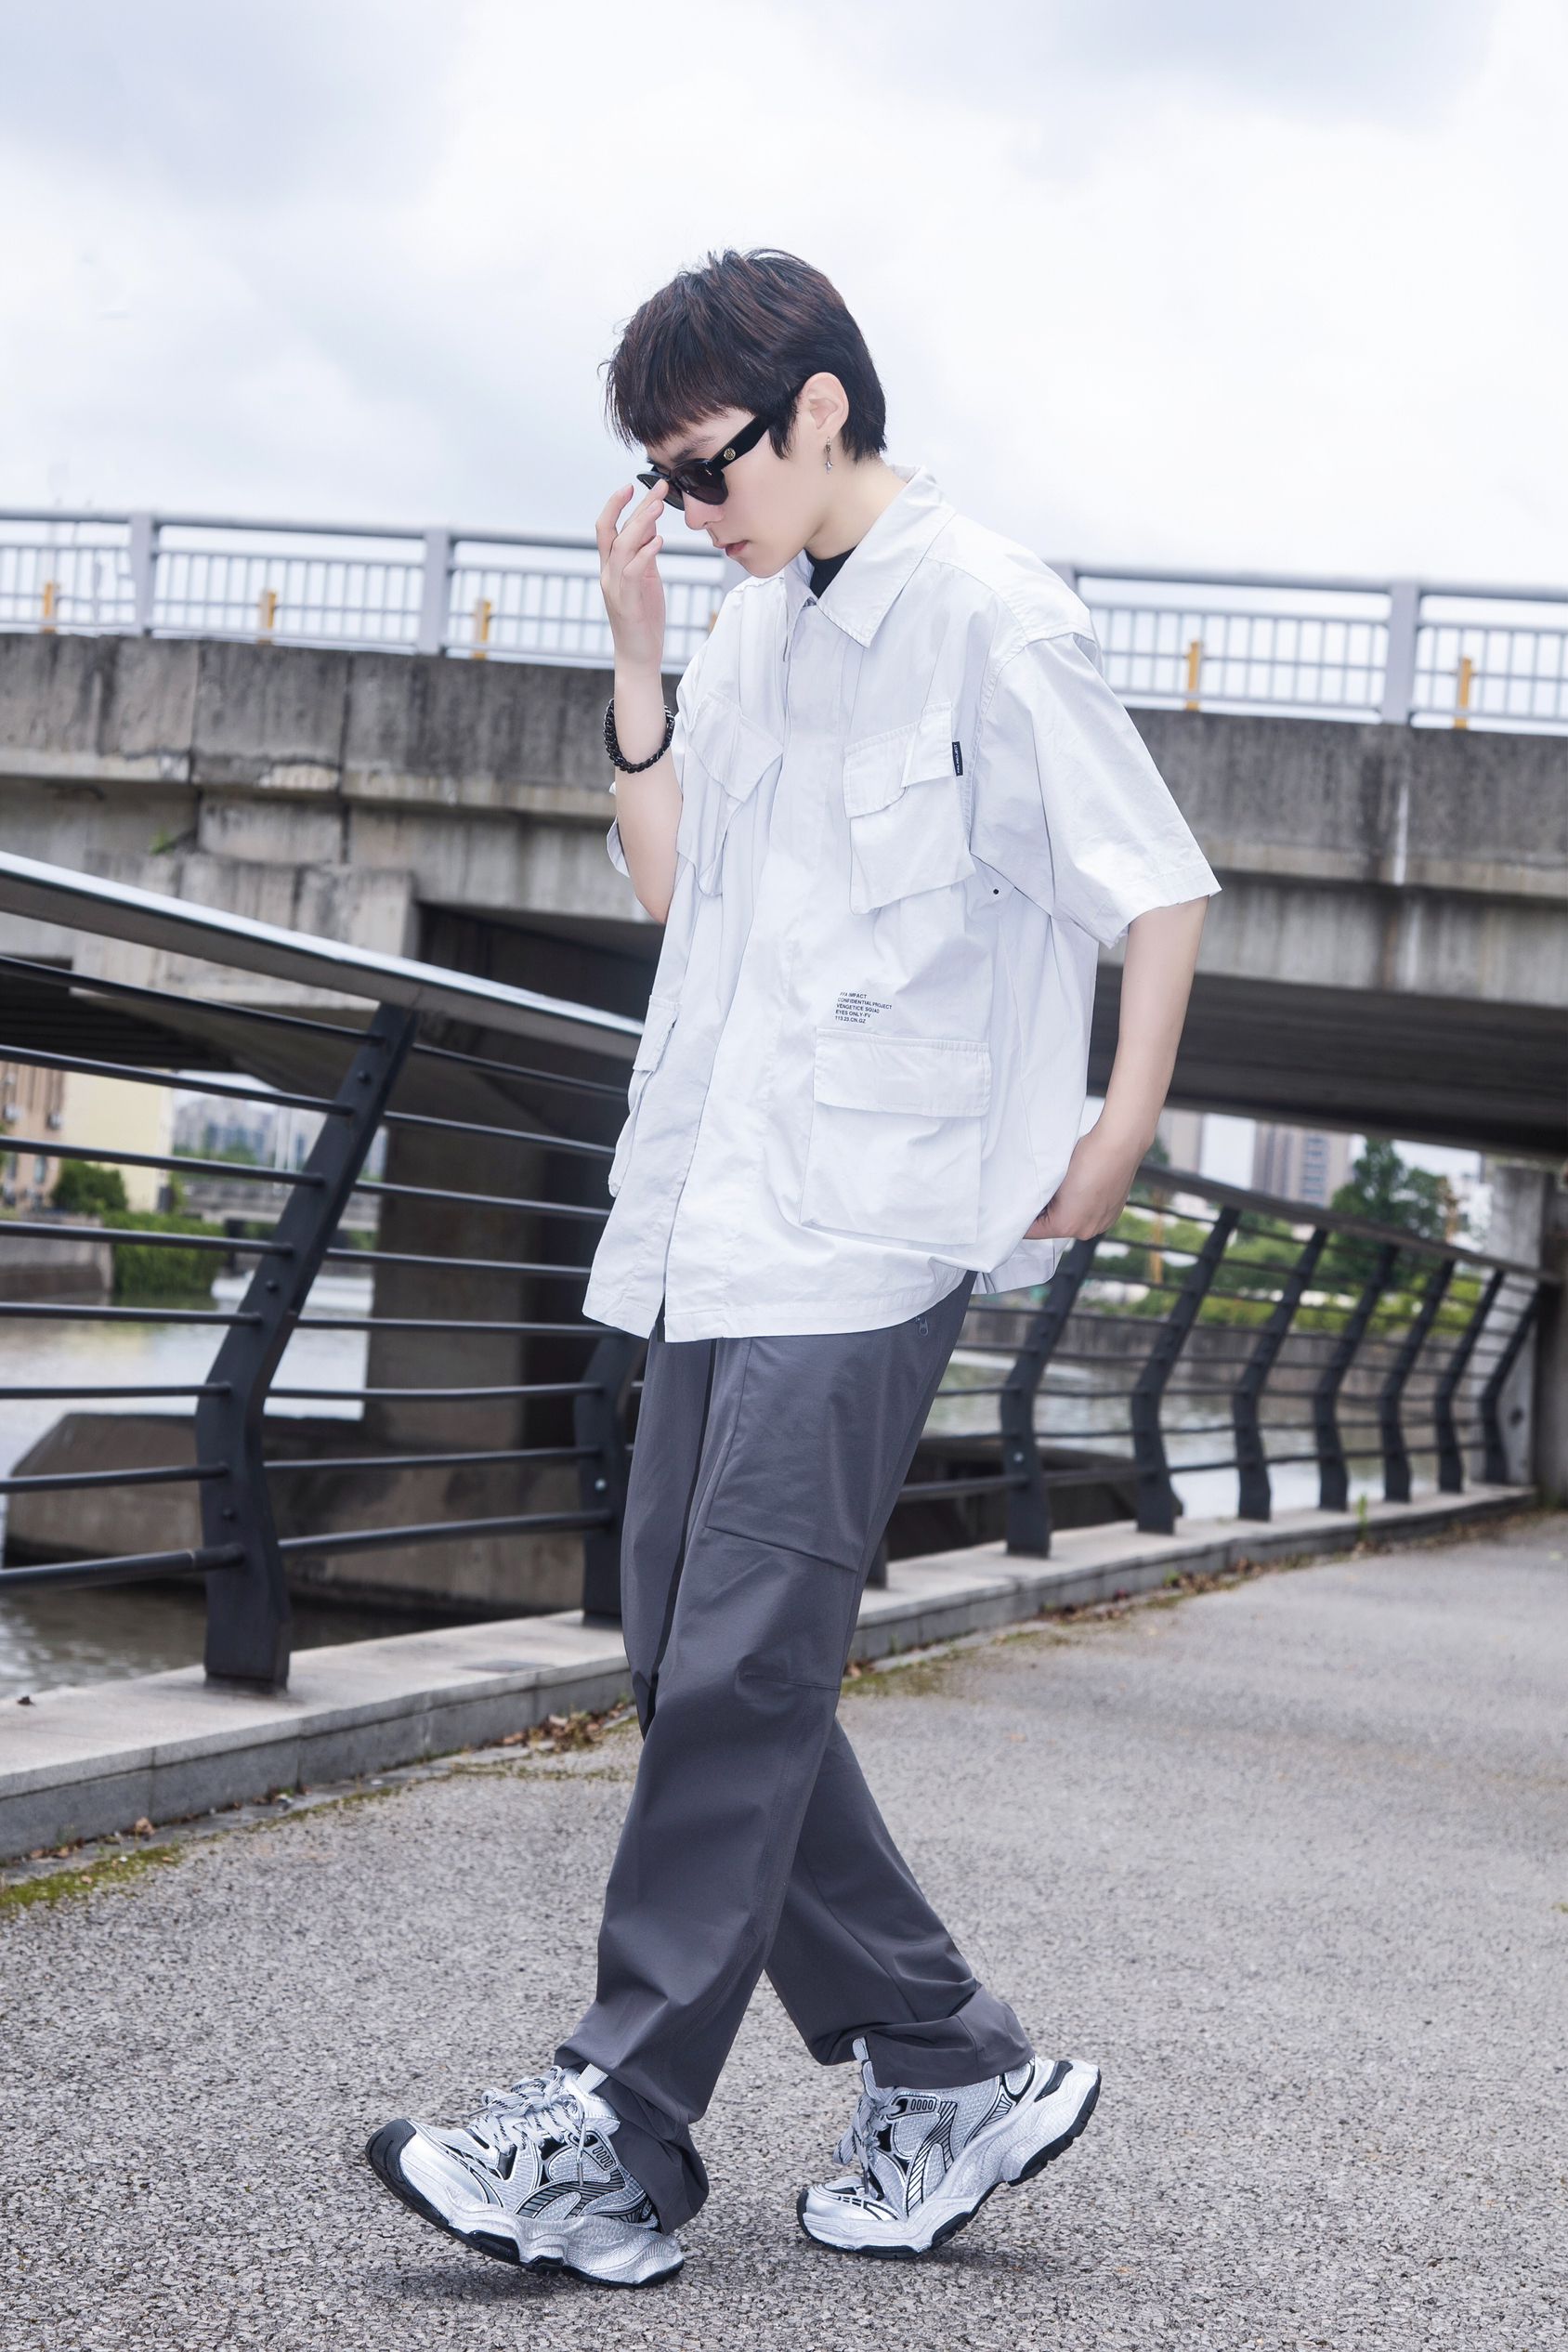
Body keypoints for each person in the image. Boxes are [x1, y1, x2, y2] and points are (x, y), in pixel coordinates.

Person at [368, 248, 1218, 2288]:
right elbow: (683, 895)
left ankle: (618, 2129)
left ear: (820, 407)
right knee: (685, 1646)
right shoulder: (753, 624)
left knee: (744, 1662)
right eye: (660, 479)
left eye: (708, 465)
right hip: (723, 1217)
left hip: (880, 1220)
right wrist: (639, 655)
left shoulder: (990, 612)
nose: (688, 504)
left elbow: (1157, 882)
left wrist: (1116, 1129)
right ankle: (945, 2063)